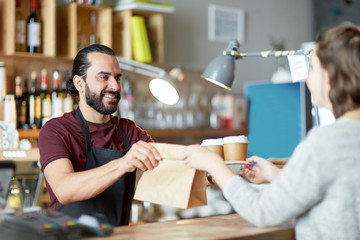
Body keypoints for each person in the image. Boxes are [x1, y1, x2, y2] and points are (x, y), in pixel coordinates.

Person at [182, 22, 360, 240]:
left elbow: (262, 211)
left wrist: (214, 165)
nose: (308, 77)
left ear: (329, 78)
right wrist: (277, 176)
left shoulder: (327, 141)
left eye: (313, 68)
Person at [39, 44, 162, 226]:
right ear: (79, 83)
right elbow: (64, 190)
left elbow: (167, 166)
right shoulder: (56, 130)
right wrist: (123, 164)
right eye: (104, 77)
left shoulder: (129, 131)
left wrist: (207, 173)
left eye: (117, 78)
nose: (114, 86)